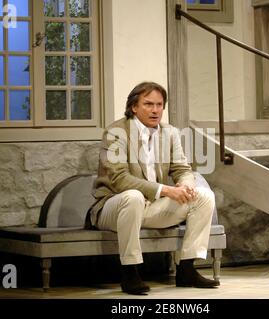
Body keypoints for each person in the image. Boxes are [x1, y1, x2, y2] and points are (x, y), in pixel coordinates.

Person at [87, 82, 219, 295]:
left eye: (159, 105)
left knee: (203, 196)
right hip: (113, 208)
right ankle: (130, 272)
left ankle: (186, 269)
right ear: (134, 107)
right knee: (133, 196)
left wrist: (186, 186)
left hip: (150, 208)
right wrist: (166, 190)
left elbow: (182, 168)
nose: (155, 110)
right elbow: (120, 179)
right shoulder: (115, 132)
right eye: (148, 104)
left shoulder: (170, 133)